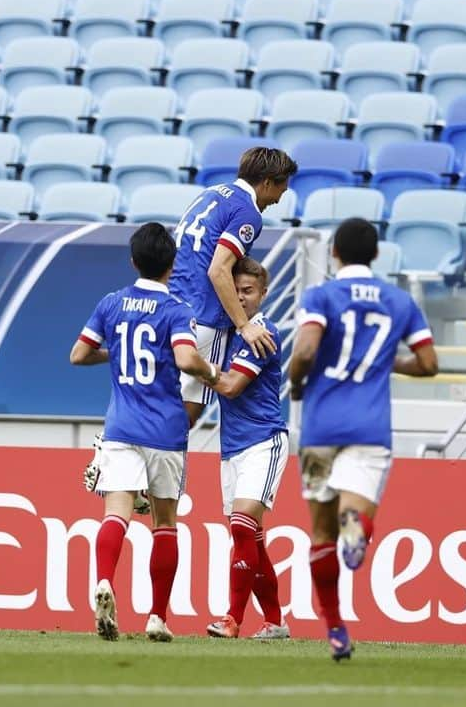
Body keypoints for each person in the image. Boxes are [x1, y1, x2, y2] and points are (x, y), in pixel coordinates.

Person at [287, 218, 439, 661]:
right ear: (376, 256)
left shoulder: (319, 296)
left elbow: (307, 351)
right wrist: (384, 364)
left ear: (334, 252)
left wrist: (297, 384)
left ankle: (334, 627)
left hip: (319, 429)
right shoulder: (399, 302)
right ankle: (359, 526)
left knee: (319, 534)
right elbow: (429, 362)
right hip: (370, 429)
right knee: (353, 513)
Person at [70, 222, 221, 643]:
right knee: (165, 523)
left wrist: (115, 353)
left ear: (133, 261)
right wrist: (214, 374)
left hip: (121, 426)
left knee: (115, 513)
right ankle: (157, 616)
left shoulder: (112, 303)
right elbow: (188, 361)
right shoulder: (176, 309)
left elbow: (78, 355)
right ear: (172, 265)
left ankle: (103, 581)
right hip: (165, 431)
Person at [169, 146, 298, 427]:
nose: (278, 200)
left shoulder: (209, 193)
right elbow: (218, 269)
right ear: (266, 183)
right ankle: (164, 465)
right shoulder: (248, 211)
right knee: (187, 411)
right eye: (281, 190)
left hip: (172, 307)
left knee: (159, 394)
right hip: (204, 315)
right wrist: (244, 325)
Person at [201, 258, 290, 640]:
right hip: (232, 448)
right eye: (235, 290)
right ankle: (275, 622)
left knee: (241, 526)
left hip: (263, 441)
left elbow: (232, 385)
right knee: (249, 538)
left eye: (248, 291)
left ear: (263, 294)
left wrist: (193, 366)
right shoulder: (227, 332)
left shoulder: (263, 332)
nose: (240, 297)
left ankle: (231, 619)